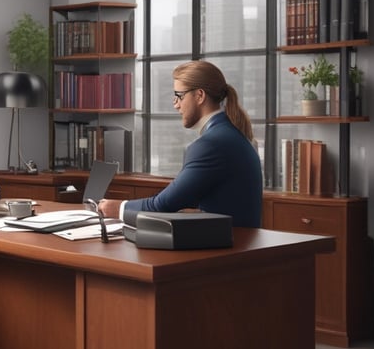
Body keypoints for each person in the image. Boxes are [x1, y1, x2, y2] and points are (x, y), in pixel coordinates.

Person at [98, 60, 262, 228]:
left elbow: (161, 205)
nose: (175, 104)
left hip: (225, 247)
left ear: (199, 96)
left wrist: (117, 208)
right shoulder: (230, 134)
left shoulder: (211, 145)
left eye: (179, 96)